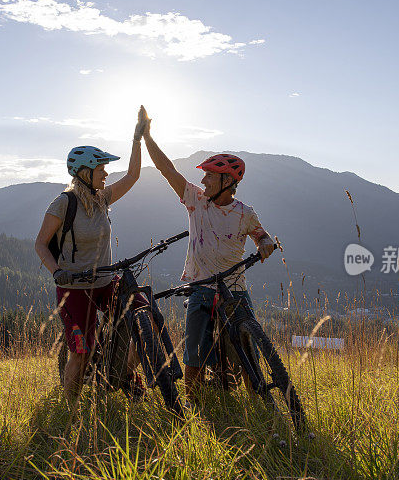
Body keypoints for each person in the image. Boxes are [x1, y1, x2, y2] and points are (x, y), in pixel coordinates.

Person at [140, 106, 276, 403]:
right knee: (195, 353)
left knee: (248, 349)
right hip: (201, 286)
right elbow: (167, 170)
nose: (203, 181)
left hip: (235, 288)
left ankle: (260, 403)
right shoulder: (196, 201)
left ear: (228, 182)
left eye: (210, 177)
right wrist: (147, 138)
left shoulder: (245, 213)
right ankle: (193, 403)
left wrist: (264, 244)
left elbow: (261, 235)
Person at [34, 107, 149, 403]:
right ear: (85, 173)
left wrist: (137, 138)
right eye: (101, 169)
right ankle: (69, 409)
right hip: (74, 288)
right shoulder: (63, 204)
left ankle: (118, 373)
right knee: (81, 353)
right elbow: (41, 244)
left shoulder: (103, 198)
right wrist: (57, 272)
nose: (107, 174)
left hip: (106, 282)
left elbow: (134, 175)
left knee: (143, 321)